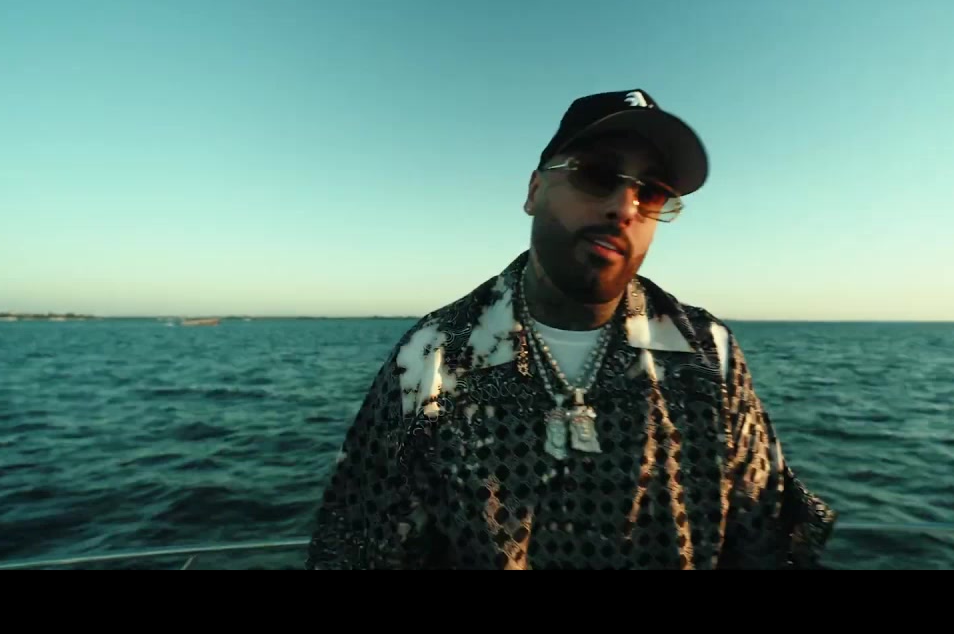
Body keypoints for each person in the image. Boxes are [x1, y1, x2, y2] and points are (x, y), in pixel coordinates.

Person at [305, 88, 836, 569]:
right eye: (597, 175)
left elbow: (768, 543)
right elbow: (358, 548)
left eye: (651, 193)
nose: (623, 207)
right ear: (534, 190)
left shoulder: (709, 355)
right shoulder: (431, 361)